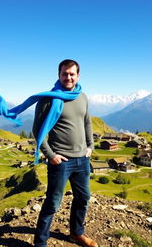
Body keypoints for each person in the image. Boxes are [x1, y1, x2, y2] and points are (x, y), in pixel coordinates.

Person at [33, 59, 98, 247]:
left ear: (78, 75)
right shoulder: (49, 99)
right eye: (64, 74)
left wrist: (90, 146)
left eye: (72, 74)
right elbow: (37, 131)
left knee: (83, 198)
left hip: (82, 159)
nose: (68, 77)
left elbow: (87, 122)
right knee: (52, 204)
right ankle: (40, 243)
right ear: (59, 75)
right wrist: (50, 155)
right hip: (60, 161)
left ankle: (76, 234)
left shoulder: (83, 96)